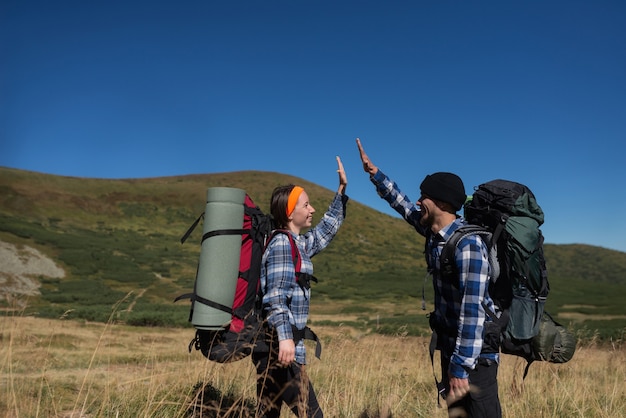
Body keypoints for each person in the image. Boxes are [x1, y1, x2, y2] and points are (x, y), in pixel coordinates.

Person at [356, 138, 502, 418]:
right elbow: (403, 205)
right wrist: (375, 174)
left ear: (441, 202)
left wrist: (459, 368)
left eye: (424, 196)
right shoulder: (435, 235)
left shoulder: (467, 246)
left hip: (475, 358)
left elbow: (473, 312)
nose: (419, 201)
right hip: (452, 350)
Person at [252, 156, 348, 418]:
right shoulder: (283, 245)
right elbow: (275, 297)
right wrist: (285, 338)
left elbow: (324, 233)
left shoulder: (297, 244)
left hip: (277, 349)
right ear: (289, 212)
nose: (312, 209)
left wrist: (340, 192)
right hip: (280, 349)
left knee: (266, 412)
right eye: (306, 205)